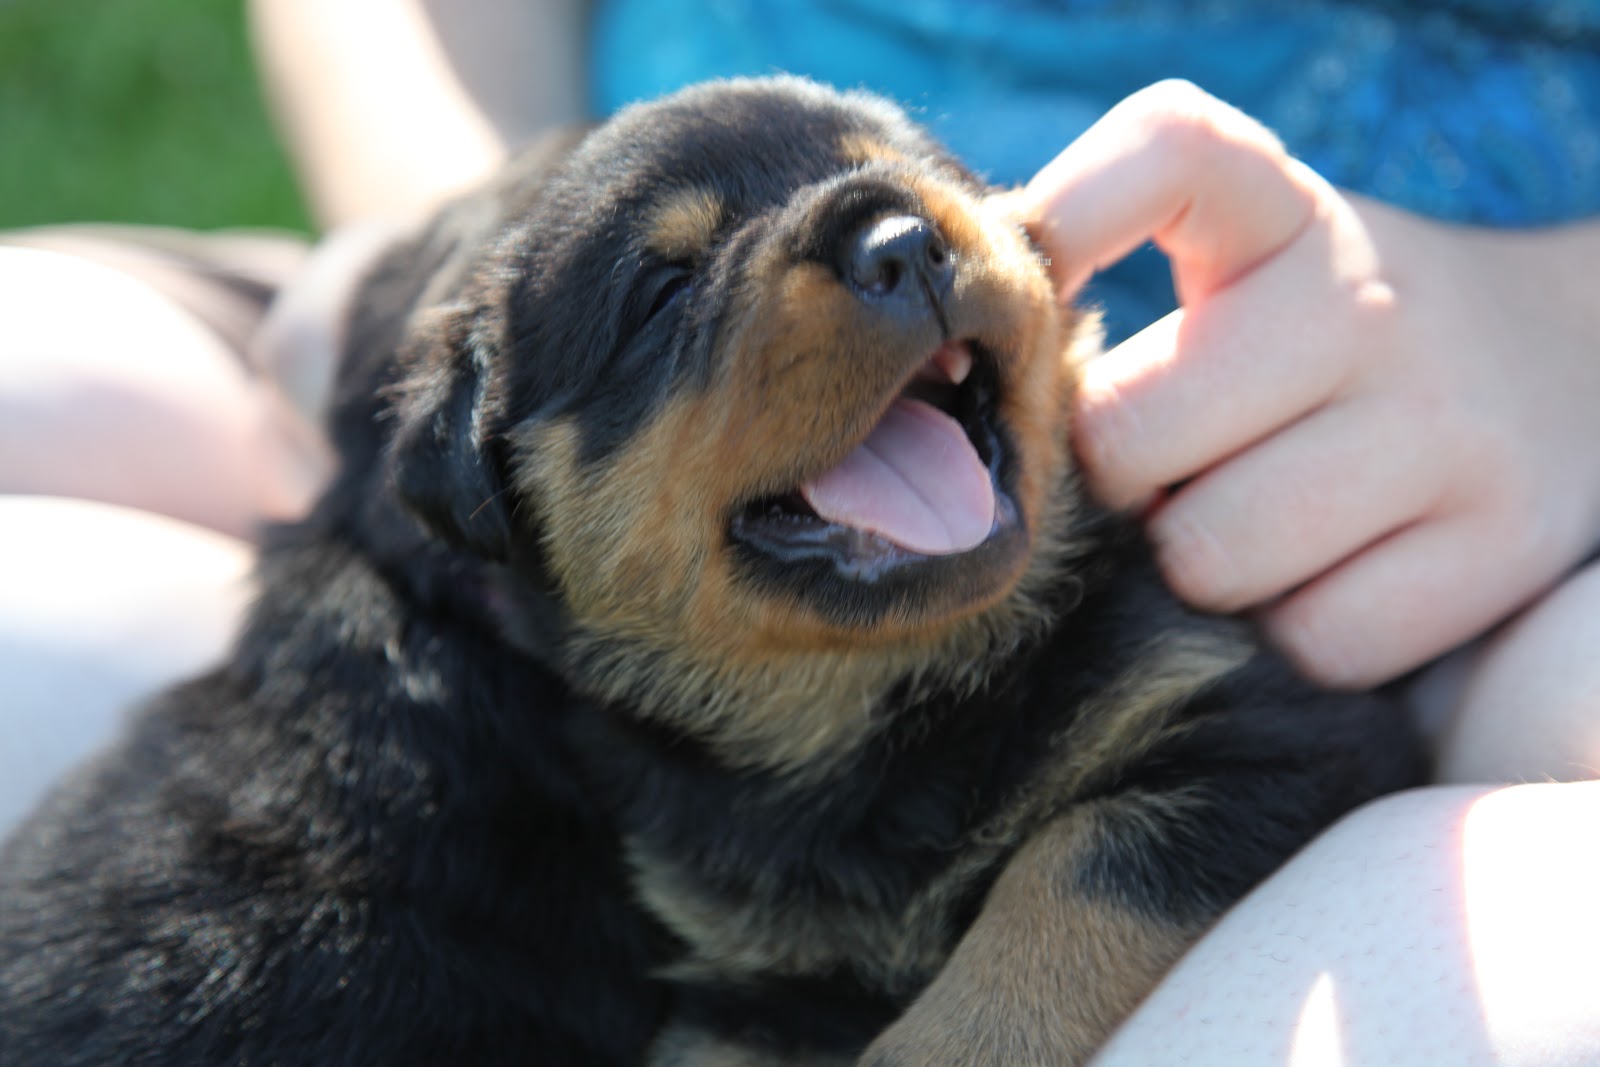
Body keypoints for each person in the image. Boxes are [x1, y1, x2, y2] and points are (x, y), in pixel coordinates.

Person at [3, 0, 1597, 1061]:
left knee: (1514, 928)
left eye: (904, 197)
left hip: (1448, 433)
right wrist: (486, 248)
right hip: (476, 250)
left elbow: (1238, 773)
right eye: (670, 284)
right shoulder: (506, 405)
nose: (883, 249)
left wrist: (1562, 325)